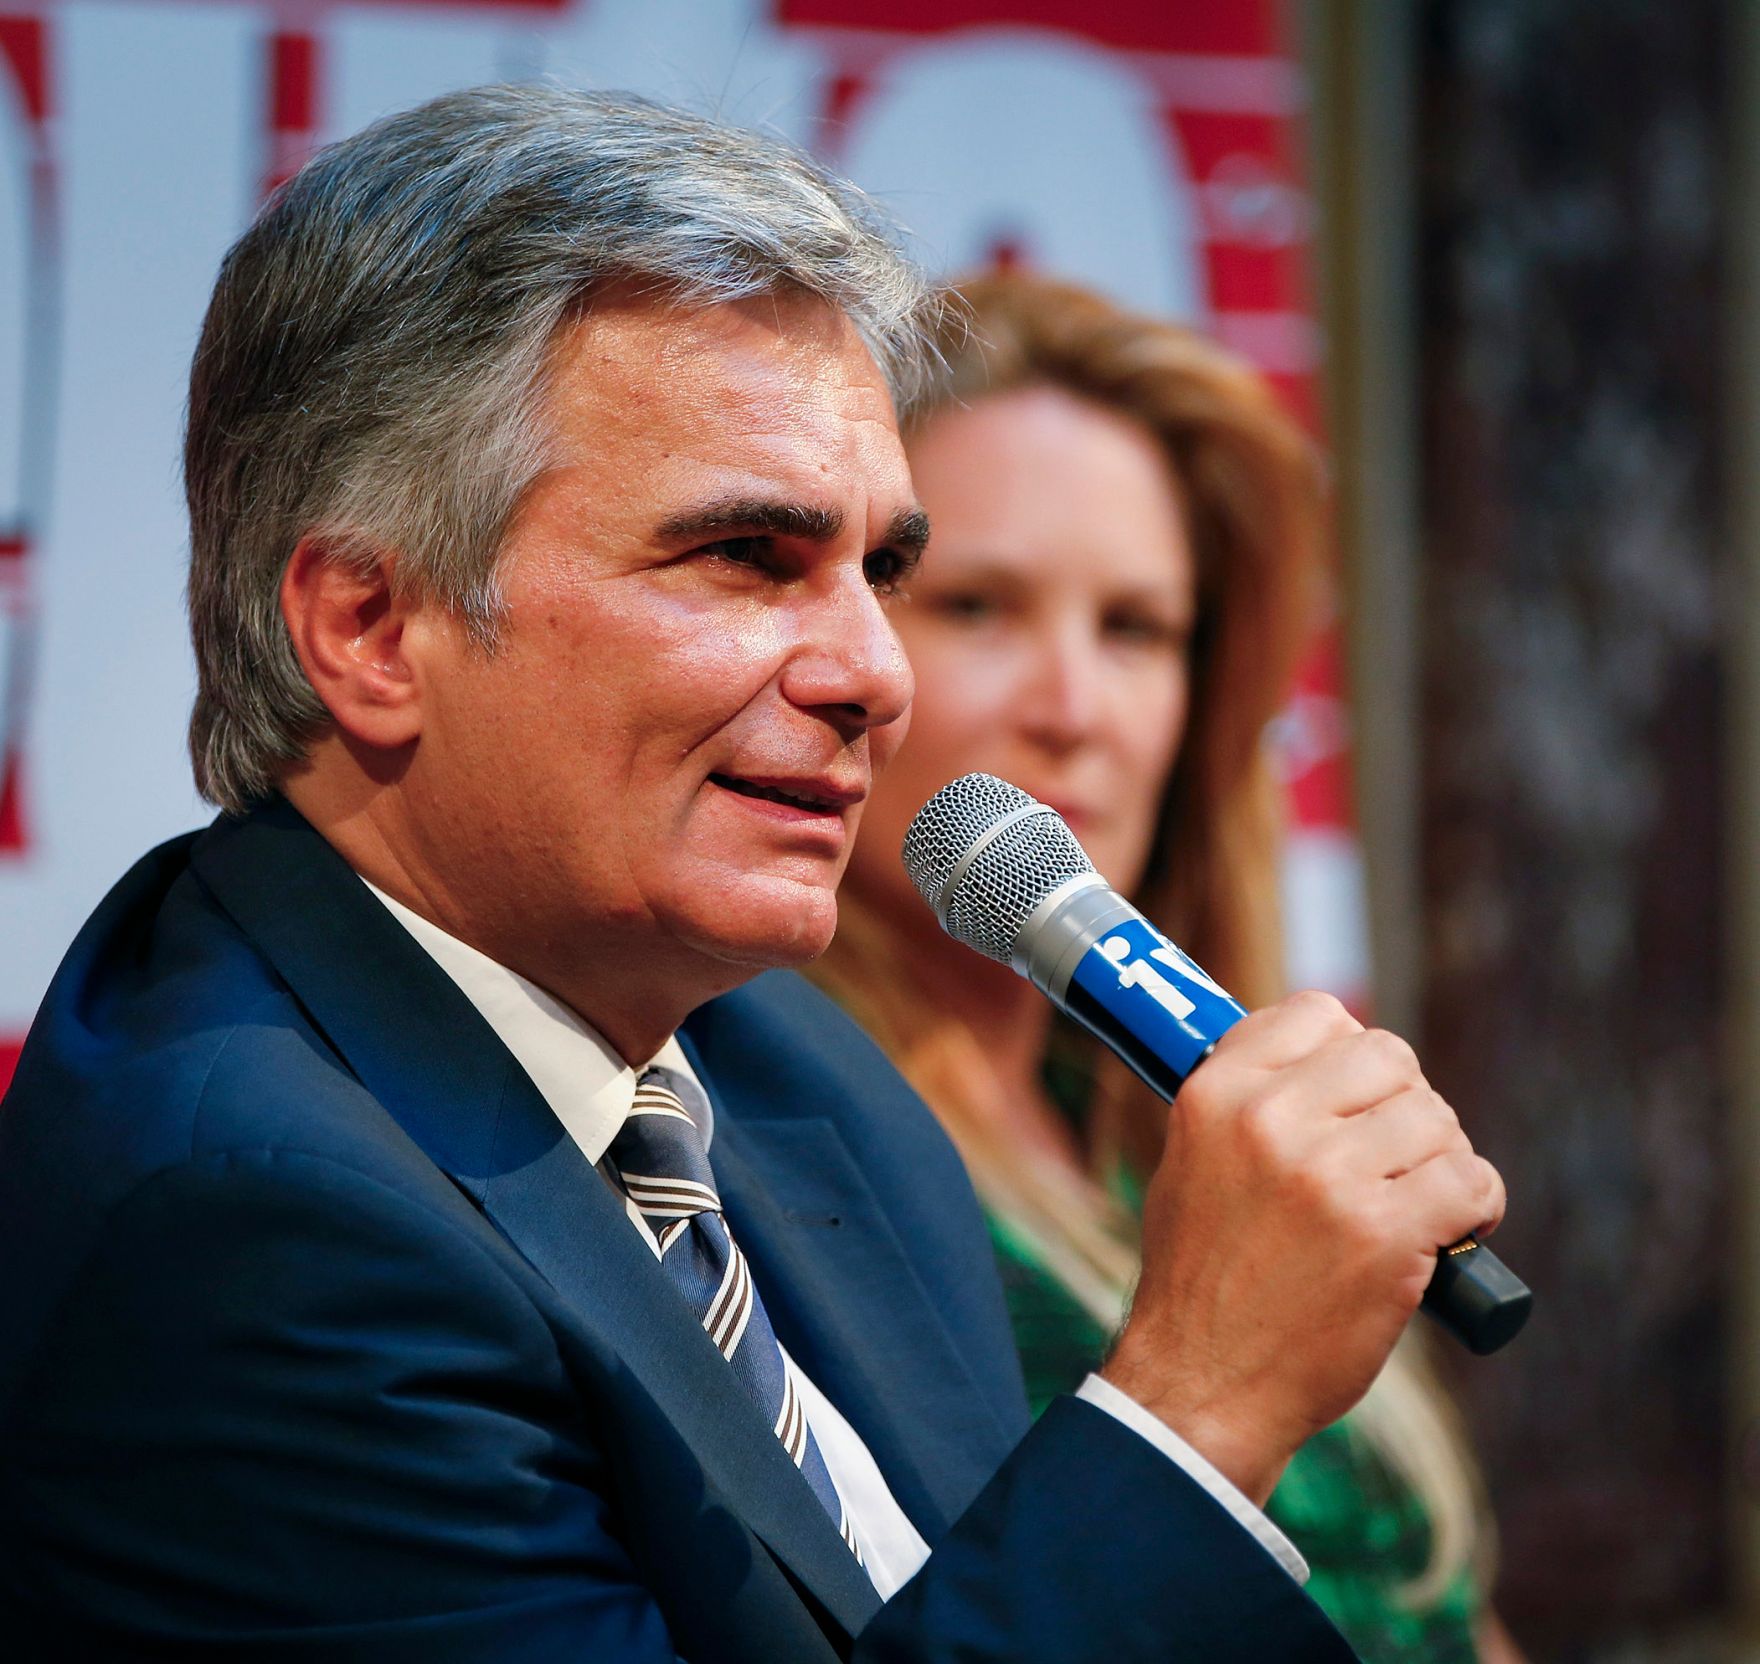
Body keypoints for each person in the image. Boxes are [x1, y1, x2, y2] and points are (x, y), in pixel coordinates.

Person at [0, 85, 1503, 1661]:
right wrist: (1199, 1408)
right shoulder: (244, 1229)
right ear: (374, 628)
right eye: (746, 558)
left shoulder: (784, 1074)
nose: (876, 672)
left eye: (887, 569)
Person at [817, 271, 1518, 1664]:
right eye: (977, 607)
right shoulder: (760, 1151)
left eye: (1135, 629)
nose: (1072, 709)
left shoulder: (1171, 1120)